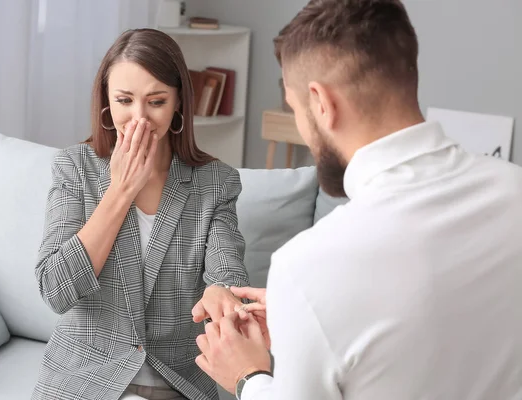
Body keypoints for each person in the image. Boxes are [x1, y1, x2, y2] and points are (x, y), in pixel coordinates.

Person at [194, 1, 522, 399]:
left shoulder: (307, 268)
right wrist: (301, 320)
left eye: (296, 109)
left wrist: (248, 377)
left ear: (321, 103)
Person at [32, 28, 250, 400]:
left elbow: (226, 272)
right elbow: (56, 290)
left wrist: (222, 294)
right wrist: (120, 191)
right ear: (106, 102)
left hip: (176, 380)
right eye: (124, 100)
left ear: (179, 102)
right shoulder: (74, 168)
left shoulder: (216, 182)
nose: (139, 118)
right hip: (87, 375)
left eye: (156, 101)